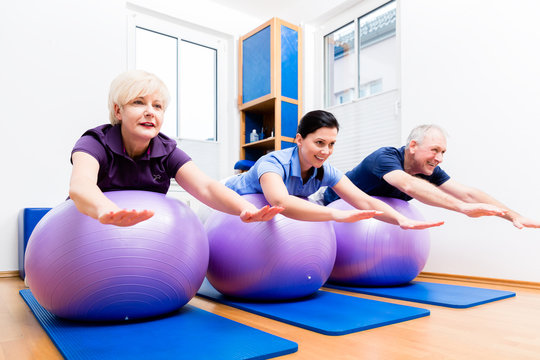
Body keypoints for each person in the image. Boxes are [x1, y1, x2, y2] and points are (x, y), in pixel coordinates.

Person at [69, 70, 283, 227]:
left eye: (158, 106)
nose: (150, 112)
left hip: (139, 237)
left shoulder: (166, 151)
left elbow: (206, 187)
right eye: (138, 102)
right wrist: (106, 209)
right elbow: (81, 184)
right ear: (118, 111)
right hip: (90, 230)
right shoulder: (95, 141)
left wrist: (246, 209)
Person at [225, 110, 444, 229]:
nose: (326, 151)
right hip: (230, 199)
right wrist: (336, 214)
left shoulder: (325, 170)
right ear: (299, 140)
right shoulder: (272, 163)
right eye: (319, 143)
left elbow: (364, 200)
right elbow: (281, 202)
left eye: (332, 144)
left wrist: (400, 219)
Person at [323, 124, 540, 229]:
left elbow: (468, 193)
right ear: (414, 146)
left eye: (443, 152)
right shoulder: (385, 157)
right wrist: (460, 208)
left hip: (372, 223)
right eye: (435, 150)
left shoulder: (428, 170)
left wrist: (513, 216)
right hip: (330, 210)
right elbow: (407, 185)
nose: (439, 158)